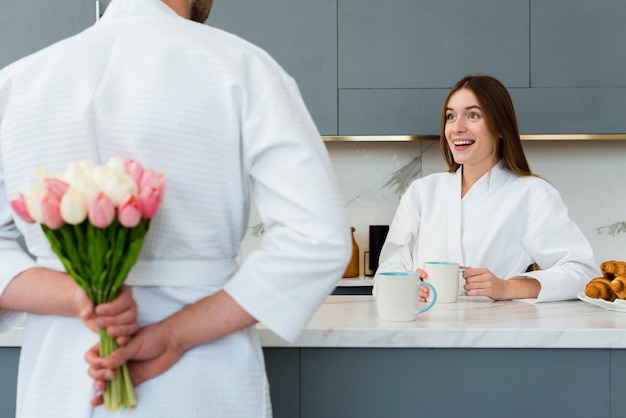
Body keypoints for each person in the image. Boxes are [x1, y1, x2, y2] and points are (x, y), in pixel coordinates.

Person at [0, 0, 351, 416]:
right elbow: (317, 240)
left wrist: (79, 295)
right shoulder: (241, 67)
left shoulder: (16, 84)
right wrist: (173, 336)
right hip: (201, 379)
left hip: (61, 381)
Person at [376, 74, 600, 302]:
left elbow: (582, 274)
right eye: (451, 116)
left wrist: (506, 288)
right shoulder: (422, 192)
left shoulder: (532, 194)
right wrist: (407, 285)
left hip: (496, 333)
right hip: (424, 331)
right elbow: (388, 268)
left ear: (501, 127)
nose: (457, 127)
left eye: (473, 115)